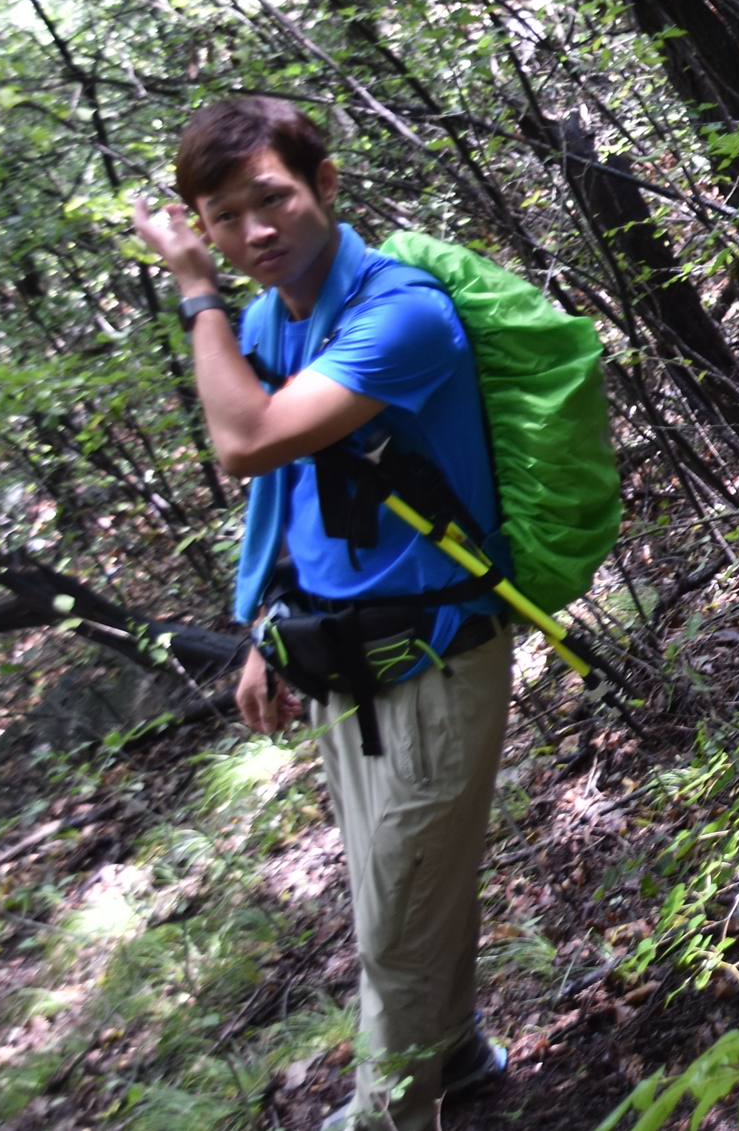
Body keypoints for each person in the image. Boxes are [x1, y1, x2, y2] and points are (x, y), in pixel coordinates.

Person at [131, 97, 510, 1131]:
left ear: (326, 186)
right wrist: (264, 623)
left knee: (395, 914)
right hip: (343, 656)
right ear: (200, 220)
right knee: (408, 882)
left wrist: (193, 293)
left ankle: (390, 1115)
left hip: (434, 651)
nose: (256, 229)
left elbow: (246, 442)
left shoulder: (402, 311)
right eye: (224, 214)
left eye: (273, 198)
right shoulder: (274, 317)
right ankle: (462, 1051)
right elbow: (284, 490)